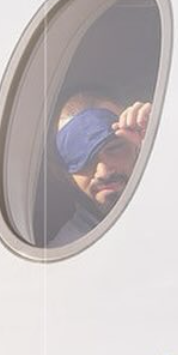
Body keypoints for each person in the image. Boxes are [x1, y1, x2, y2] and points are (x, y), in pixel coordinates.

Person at [48, 90, 153, 247]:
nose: (103, 172)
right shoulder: (68, 250)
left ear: (136, 148)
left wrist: (160, 149)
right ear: (64, 174)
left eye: (114, 148)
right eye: (81, 159)